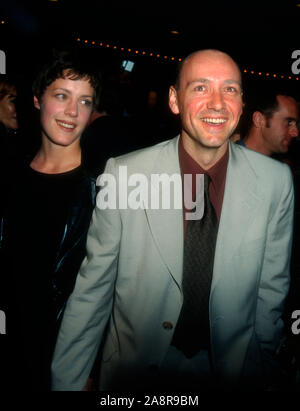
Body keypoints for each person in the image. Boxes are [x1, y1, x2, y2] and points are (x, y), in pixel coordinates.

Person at [51, 49, 294, 392]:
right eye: (200, 88)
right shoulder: (124, 175)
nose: (217, 103)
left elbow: (271, 292)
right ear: (174, 100)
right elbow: (93, 292)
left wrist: (265, 369)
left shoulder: (275, 182)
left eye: (230, 89)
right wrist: (67, 381)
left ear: (242, 104)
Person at [0, 50, 101, 391]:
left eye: (84, 101)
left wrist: (91, 366)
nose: (73, 112)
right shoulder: (9, 176)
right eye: (62, 96)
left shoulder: (102, 191)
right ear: (36, 99)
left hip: (63, 359)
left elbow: (114, 291)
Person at [237, 89, 299, 156]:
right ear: (259, 120)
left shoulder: (274, 165)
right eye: (289, 122)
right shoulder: (229, 162)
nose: (295, 133)